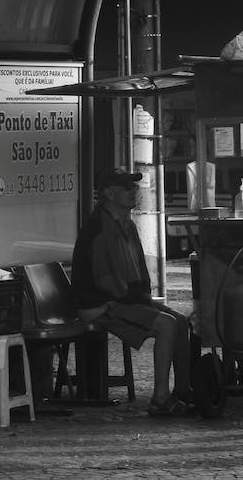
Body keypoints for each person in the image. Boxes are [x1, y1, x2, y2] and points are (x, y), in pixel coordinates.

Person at [71, 166, 193, 415]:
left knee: (181, 321)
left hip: (121, 299)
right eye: (127, 186)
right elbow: (108, 282)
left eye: (133, 186)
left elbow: (136, 274)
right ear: (109, 193)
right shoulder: (102, 227)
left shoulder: (126, 224)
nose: (133, 191)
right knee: (167, 325)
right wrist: (141, 300)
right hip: (101, 305)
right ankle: (160, 398)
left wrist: (144, 298)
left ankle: (183, 391)